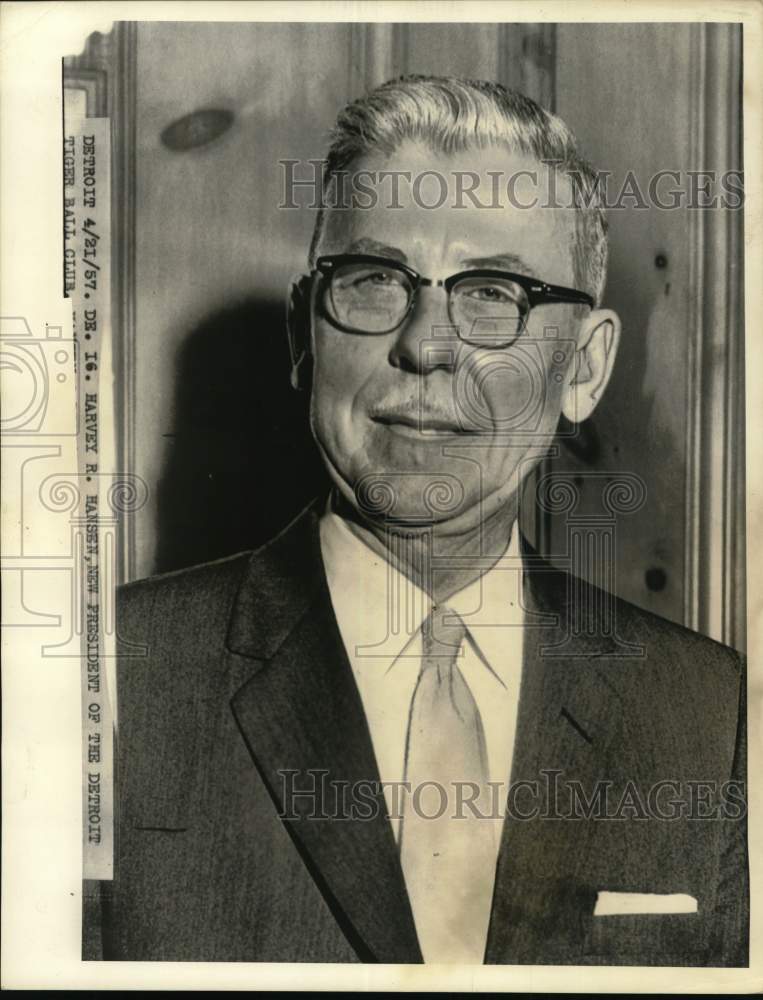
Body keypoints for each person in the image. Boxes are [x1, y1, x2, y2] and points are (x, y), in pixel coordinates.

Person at [86, 76, 748, 965]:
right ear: (303, 336)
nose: (425, 344)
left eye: (491, 296)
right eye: (373, 280)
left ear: (583, 368)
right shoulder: (111, 679)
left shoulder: (703, 712)